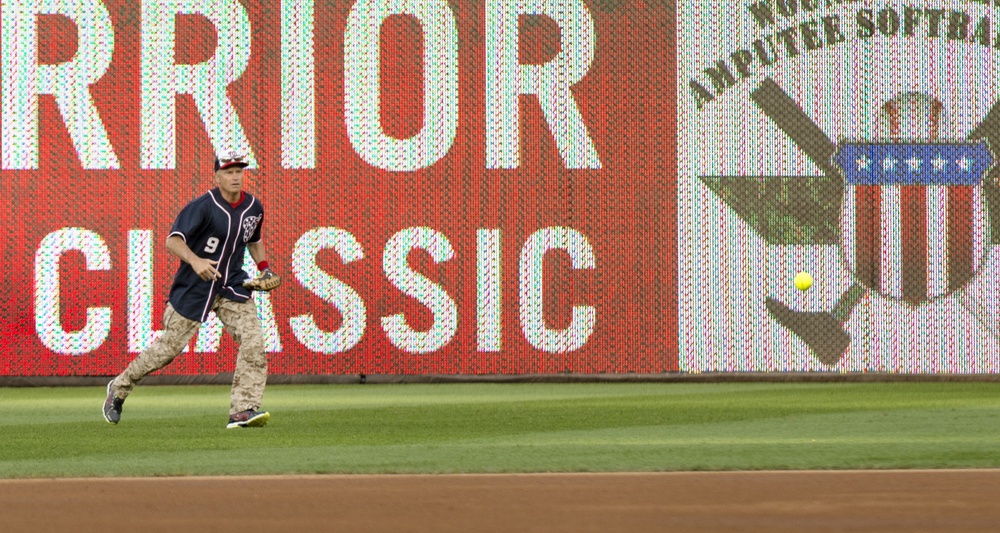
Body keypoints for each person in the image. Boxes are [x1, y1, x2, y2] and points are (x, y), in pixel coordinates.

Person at [103, 151, 280, 429]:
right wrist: (195, 260)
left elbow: (253, 239)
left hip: (231, 284)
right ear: (217, 176)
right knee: (168, 349)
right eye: (229, 171)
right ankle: (119, 387)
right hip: (195, 287)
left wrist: (265, 267)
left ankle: (243, 410)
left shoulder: (254, 207)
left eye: (239, 171)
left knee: (254, 341)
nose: (235, 176)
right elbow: (173, 240)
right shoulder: (203, 206)